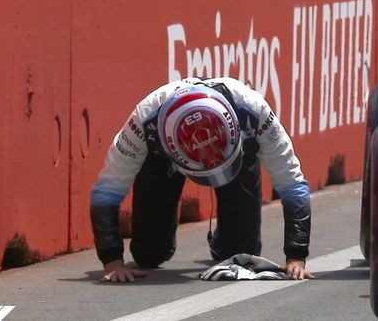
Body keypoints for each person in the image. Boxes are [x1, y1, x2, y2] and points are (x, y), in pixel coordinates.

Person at [89, 77, 313, 283]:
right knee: (148, 254)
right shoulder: (143, 120)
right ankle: (159, 238)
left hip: (237, 156)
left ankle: (223, 241)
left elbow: (293, 185)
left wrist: (296, 256)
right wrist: (112, 262)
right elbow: (106, 192)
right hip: (162, 160)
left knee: (240, 253)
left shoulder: (254, 110)